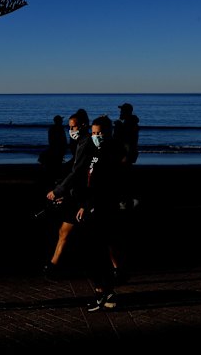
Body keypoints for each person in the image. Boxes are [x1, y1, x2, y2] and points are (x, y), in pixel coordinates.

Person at [73, 115, 126, 312]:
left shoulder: (111, 153)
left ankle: (106, 292)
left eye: (100, 133)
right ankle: (104, 291)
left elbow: (103, 185)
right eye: (94, 133)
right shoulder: (96, 151)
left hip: (102, 207)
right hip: (93, 206)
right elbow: (88, 179)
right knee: (93, 251)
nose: (96, 136)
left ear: (108, 132)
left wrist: (88, 205)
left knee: (95, 252)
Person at [43, 109, 91, 276]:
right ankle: (53, 265)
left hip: (84, 195)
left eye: (74, 127)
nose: (72, 131)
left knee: (100, 236)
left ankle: (116, 269)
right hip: (78, 193)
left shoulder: (85, 143)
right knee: (65, 231)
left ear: (83, 125)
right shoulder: (80, 143)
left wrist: (59, 190)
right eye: (70, 127)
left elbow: (77, 171)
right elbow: (75, 166)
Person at [113, 102, 140, 210]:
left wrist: (126, 156)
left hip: (124, 156)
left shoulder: (128, 124)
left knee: (123, 178)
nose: (120, 112)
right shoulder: (129, 123)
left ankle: (126, 201)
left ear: (126, 112)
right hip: (126, 155)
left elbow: (128, 142)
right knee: (125, 177)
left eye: (122, 111)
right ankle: (127, 200)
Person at [40, 115, 68, 185]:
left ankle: (53, 178)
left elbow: (51, 139)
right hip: (58, 148)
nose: (62, 121)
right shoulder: (59, 128)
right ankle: (56, 179)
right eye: (61, 120)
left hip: (54, 147)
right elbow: (62, 139)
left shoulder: (52, 128)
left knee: (56, 163)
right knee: (58, 164)